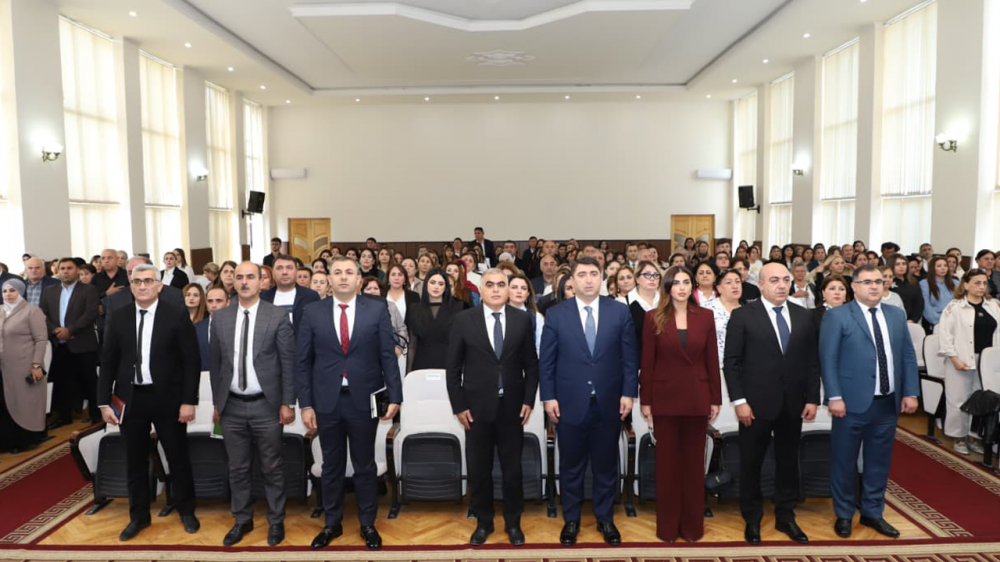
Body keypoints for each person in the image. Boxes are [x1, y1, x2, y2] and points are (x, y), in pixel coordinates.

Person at [295, 256, 402, 551]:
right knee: (331, 464)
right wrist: (306, 404)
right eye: (338, 272)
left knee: (365, 464)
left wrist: (395, 396)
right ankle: (332, 524)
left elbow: (387, 356)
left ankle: (367, 524)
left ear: (359, 279)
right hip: (326, 400)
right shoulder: (312, 311)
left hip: (365, 400)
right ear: (329, 279)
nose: (343, 277)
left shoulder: (376, 309)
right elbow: (302, 362)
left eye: (349, 272)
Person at [539, 257, 638, 547]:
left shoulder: (619, 311)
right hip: (569, 403)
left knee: (606, 465)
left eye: (594, 273)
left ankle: (605, 519)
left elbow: (630, 359)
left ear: (601, 277)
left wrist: (628, 393)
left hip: (609, 402)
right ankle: (571, 520)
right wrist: (548, 397)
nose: (588, 279)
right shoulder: (556, 314)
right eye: (582, 274)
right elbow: (547, 362)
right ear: (572, 280)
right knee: (571, 466)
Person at [98, 264, 201, 541]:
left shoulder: (176, 314)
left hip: (168, 399)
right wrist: (103, 402)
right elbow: (108, 362)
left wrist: (189, 401)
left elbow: (191, 361)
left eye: (148, 281)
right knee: (134, 461)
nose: (142, 286)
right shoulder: (119, 316)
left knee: (177, 457)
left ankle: (187, 510)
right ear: (131, 286)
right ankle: (139, 517)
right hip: (131, 399)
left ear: (159, 286)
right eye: (137, 282)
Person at [723, 262, 820, 545]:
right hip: (754, 406)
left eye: (785, 280)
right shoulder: (743, 315)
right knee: (751, 463)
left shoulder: (803, 316)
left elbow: (812, 361)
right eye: (774, 280)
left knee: (788, 463)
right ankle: (752, 518)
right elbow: (732, 363)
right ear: (761, 285)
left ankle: (786, 516)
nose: (781, 285)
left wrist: (812, 398)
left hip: (793, 404)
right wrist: (740, 401)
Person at [819, 264, 919, 539]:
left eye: (878, 281)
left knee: (879, 461)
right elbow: (828, 359)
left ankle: (873, 512)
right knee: (844, 461)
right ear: (854, 286)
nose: (874, 286)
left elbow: (907, 356)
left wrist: (910, 392)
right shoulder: (837, 316)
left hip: (887, 402)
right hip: (850, 403)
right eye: (867, 282)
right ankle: (843, 514)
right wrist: (834, 396)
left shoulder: (896, 314)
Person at [445, 269, 538, 546]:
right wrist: (459, 406)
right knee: (479, 470)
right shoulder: (463, 320)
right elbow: (453, 369)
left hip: (512, 408)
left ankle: (513, 523)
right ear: (481, 290)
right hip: (475, 410)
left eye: (501, 284)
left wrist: (528, 400)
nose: (496, 289)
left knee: (512, 471)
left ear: (508, 289)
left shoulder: (522, 319)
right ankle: (484, 523)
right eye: (490, 285)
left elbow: (531, 365)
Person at [209, 262, 296, 547]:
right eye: (239, 277)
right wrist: (218, 403)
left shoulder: (277, 315)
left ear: (261, 281)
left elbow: (288, 363)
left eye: (250, 277)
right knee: (237, 468)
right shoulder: (220, 318)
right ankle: (242, 520)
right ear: (232, 282)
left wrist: (287, 402)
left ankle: (276, 520)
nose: (244, 282)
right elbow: (216, 365)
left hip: (266, 406)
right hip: (231, 407)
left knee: (272, 467)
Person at [640, 265, 720, 542]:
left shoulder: (706, 316)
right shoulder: (653, 317)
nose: (682, 287)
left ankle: (692, 528)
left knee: (693, 467)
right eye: (676, 282)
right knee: (667, 468)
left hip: (697, 398)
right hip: (665, 399)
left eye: (686, 282)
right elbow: (647, 363)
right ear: (667, 287)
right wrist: (646, 401)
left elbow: (712, 360)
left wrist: (716, 398)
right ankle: (667, 528)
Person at [936, 269, 1000, 455]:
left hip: (986, 362)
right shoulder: (954, 307)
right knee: (959, 400)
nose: (981, 287)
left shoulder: (992, 306)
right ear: (965, 285)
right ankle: (959, 437)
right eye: (977, 283)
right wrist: (954, 358)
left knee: (980, 400)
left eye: (984, 283)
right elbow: (945, 335)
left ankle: (973, 436)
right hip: (961, 359)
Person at [41, 258, 100, 428]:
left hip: (82, 343)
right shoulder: (49, 291)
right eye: (62, 268)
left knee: (89, 382)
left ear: (77, 271)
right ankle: (64, 416)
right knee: (63, 382)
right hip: (59, 344)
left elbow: (90, 314)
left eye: (69, 268)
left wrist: (70, 330)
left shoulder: (88, 290)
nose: (65, 271)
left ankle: (97, 416)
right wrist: (55, 330)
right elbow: (43, 314)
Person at [0, 279, 49, 453]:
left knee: (25, 403)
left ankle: (24, 440)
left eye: (12, 290)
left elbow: (41, 340)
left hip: (24, 366)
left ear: (21, 292)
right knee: (5, 404)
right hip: (4, 368)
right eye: (5, 291)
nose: (8, 294)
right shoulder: (0, 310)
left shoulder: (32, 311)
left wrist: (36, 364)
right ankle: (5, 442)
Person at [405, 269, 464, 371]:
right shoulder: (415, 308)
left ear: (446, 288)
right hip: (421, 364)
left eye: (441, 284)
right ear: (426, 284)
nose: (436, 287)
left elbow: (460, 344)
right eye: (432, 282)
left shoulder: (458, 308)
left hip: (448, 364)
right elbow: (412, 345)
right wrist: (409, 373)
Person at [261, 254, 320, 331]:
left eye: (289, 268)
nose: (284, 272)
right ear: (273, 273)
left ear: (296, 271)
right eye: (279, 268)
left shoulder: (310, 297)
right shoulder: (263, 298)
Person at [705, 269, 743, 371]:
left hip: (741, 368)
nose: (735, 286)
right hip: (715, 367)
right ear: (719, 288)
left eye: (737, 282)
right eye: (728, 282)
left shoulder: (748, 311)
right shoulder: (707, 309)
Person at [627, 261, 662, 356]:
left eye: (656, 275)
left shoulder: (666, 302)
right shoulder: (625, 303)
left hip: (663, 358)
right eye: (647, 275)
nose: (652, 278)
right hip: (635, 357)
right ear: (637, 279)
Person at [507, 273, 544, 354]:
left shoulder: (536, 317)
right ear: (507, 290)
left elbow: (540, 347)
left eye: (523, 288)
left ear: (528, 293)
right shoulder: (497, 314)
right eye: (514, 287)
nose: (519, 291)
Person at [196, 287, 230, 371]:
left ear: (228, 302)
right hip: (204, 376)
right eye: (210, 301)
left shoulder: (238, 326)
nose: (214, 305)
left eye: (219, 301)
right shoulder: (197, 328)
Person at [920, 256, 956, 331]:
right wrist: (939, 321)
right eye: (939, 266)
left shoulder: (955, 283)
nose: (943, 268)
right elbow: (926, 307)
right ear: (932, 268)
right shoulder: (924, 283)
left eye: (945, 266)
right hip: (934, 323)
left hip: (954, 321)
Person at [888, 255, 923, 324]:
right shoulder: (888, 282)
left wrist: (913, 319)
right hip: (894, 320)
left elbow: (919, 302)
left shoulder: (913, 281)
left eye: (904, 264)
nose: (901, 267)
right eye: (897, 264)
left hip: (912, 321)